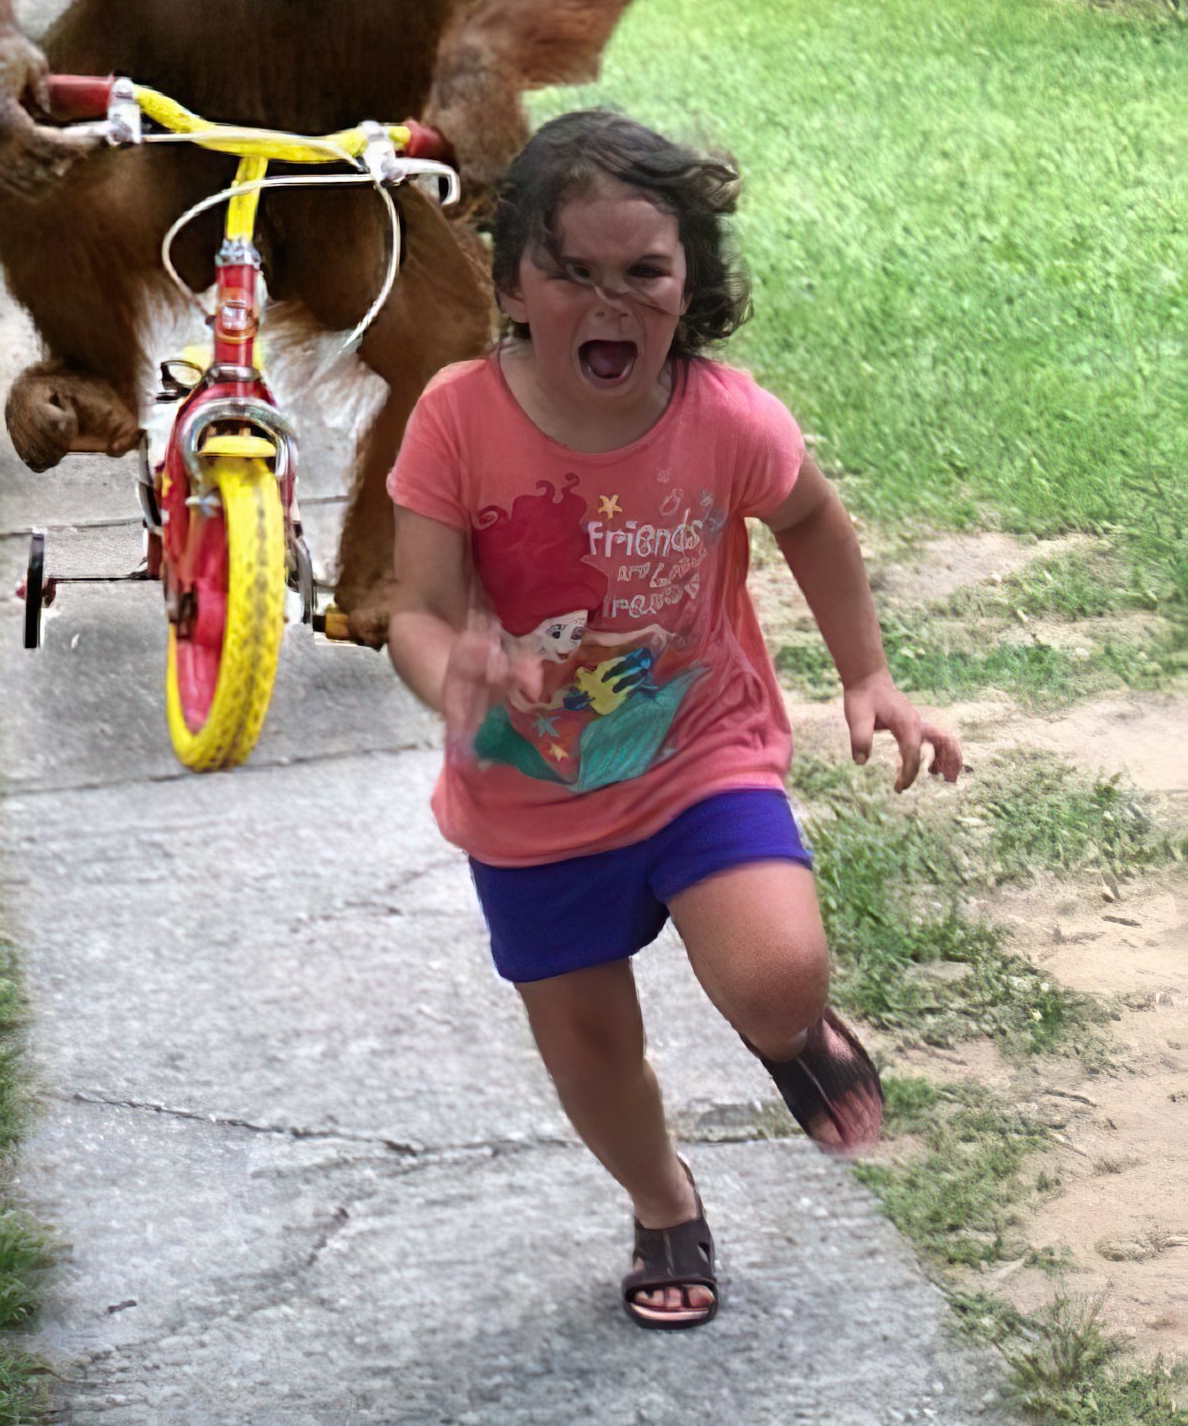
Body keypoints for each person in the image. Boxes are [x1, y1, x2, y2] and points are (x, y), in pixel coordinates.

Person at [385, 108, 962, 1331]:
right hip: (527, 794)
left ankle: (786, 1027)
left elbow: (810, 517)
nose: (611, 301)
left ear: (690, 283)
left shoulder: (725, 416)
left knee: (775, 970)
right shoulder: (455, 416)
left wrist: (867, 672)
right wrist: (458, 671)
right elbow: (416, 612)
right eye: (572, 271)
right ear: (513, 285)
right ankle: (663, 1202)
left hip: (703, 752)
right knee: (592, 1048)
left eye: (643, 271)